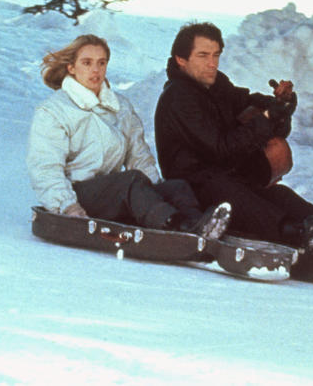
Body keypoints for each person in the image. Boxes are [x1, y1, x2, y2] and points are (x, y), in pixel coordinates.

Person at [153, 22, 313, 253]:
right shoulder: (178, 97)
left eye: (216, 55)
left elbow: (249, 104)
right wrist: (265, 118)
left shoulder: (216, 85)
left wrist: (280, 106)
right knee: (236, 194)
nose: (212, 64)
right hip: (194, 183)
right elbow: (219, 148)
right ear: (181, 60)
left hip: (226, 172)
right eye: (203, 56)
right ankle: (295, 233)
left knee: (275, 193)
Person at [27, 34, 230, 239]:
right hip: (77, 196)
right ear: (71, 67)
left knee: (176, 186)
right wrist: (68, 206)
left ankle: (200, 226)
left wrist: (157, 192)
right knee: (130, 181)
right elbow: (45, 168)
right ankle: (175, 228)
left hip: (114, 192)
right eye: (87, 63)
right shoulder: (54, 110)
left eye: (101, 63)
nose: (95, 70)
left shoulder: (120, 107)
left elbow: (138, 155)